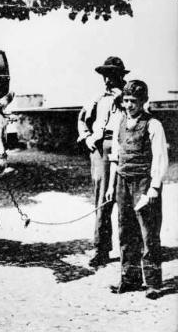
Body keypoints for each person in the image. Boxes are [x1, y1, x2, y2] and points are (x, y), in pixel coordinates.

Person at [105, 80, 168, 299]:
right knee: (125, 231)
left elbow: (160, 158)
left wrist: (154, 188)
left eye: (134, 101)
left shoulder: (153, 124)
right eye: (126, 100)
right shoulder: (119, 122)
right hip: (123, 182)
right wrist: (111, 186)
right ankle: (129, 280)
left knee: (148, 233)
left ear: (143, 101)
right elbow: (115, 155)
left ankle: (153, 284)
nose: (129, 105)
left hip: (143, 183)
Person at [77, 56, 128, 267]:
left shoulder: (130, 97)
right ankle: (101, 249)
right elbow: (82, 119)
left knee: (126, 201)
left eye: (113, 75)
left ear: (121, 76)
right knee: (102, 199)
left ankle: (131, 250)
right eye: (105, 76)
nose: (108, 80)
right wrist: (87, 137)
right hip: (100, 150)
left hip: (124, 149)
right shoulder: (97, 98)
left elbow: (144, 117)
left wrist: (123, 99)